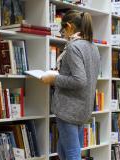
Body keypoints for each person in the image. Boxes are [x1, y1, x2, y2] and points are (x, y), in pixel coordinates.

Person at [41, 10, 100, 160]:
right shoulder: (93, 46)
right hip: (83, 109)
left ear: (69, 26)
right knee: (64, 151)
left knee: (72, 154)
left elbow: (80, 80)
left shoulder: (74, 47)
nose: (63, 34)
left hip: (69, 110)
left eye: (63, 30)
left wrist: (54, 79)